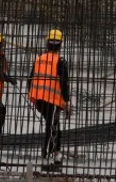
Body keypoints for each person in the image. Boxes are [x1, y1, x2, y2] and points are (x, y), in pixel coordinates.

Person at [28, 29, 72, 172]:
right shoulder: (60, 62)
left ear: (47, 43)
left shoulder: (39, 59)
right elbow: (64, 84)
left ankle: (57, 153)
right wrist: (67, 102)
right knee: (52, 127)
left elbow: (30, 80)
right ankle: (46, 156)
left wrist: (34, 95)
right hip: (53, 100)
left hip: (40, 99)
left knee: (54, 125)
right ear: (60, 45)